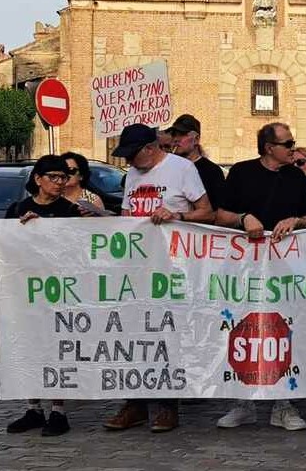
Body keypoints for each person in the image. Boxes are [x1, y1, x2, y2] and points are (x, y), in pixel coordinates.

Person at [104, 123, 213, 433]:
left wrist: (177, 216)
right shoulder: (132, 176)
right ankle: (135, 403)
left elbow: (207, 212)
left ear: (150, 149)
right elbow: (128, 220)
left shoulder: (181, 169)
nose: (128, 162)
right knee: (134, 335)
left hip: (173, 266)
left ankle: (168, 405)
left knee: (168, 335)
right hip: (137, 267)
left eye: (131, 155)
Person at [214, 122, 306, 431]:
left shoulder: (298, 177)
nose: (293, 148)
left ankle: (284, 404)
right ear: (269, 147)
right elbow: (219, 214)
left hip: (285, 269)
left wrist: (298, 220)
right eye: (287, 144)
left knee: (284, 330)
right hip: (243, 267)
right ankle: (243, 401)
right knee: (243, 328)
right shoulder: (241, 173)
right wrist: (243, 218)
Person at [4, 155, 81, 437]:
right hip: (26, 291)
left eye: (64, 177)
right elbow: (8, 247)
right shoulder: (18, 209)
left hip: (58, 290)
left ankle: (58, 411)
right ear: (38, 179)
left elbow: (77, 249)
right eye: (54, 177)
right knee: (27, 348)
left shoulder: (70, 210)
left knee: (55, 349)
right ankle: (34, 408)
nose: (60, 183)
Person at [167, 114, 226, 210]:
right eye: (174, 134)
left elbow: (217, 211)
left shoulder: (212, 171)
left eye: (182, 134)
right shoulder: (168, 168)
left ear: (196, 139)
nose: (176, 139)